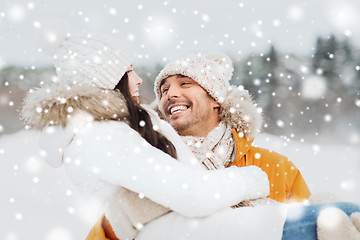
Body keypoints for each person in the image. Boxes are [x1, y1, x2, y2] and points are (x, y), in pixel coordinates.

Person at [21, 32, 282, 240]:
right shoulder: (103, 138)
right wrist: (252, 179)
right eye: (129, 71)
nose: (137, 80)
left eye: (185, 84)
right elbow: (195, 196)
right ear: (109, 79)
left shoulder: (123, 129)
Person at [152, 52, 360, 239]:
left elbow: (300, 228)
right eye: (164, 90)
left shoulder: (275, 166)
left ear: (216, 99)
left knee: (343, 214)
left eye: (185, 83)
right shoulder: (157, 165)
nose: (170, 94)